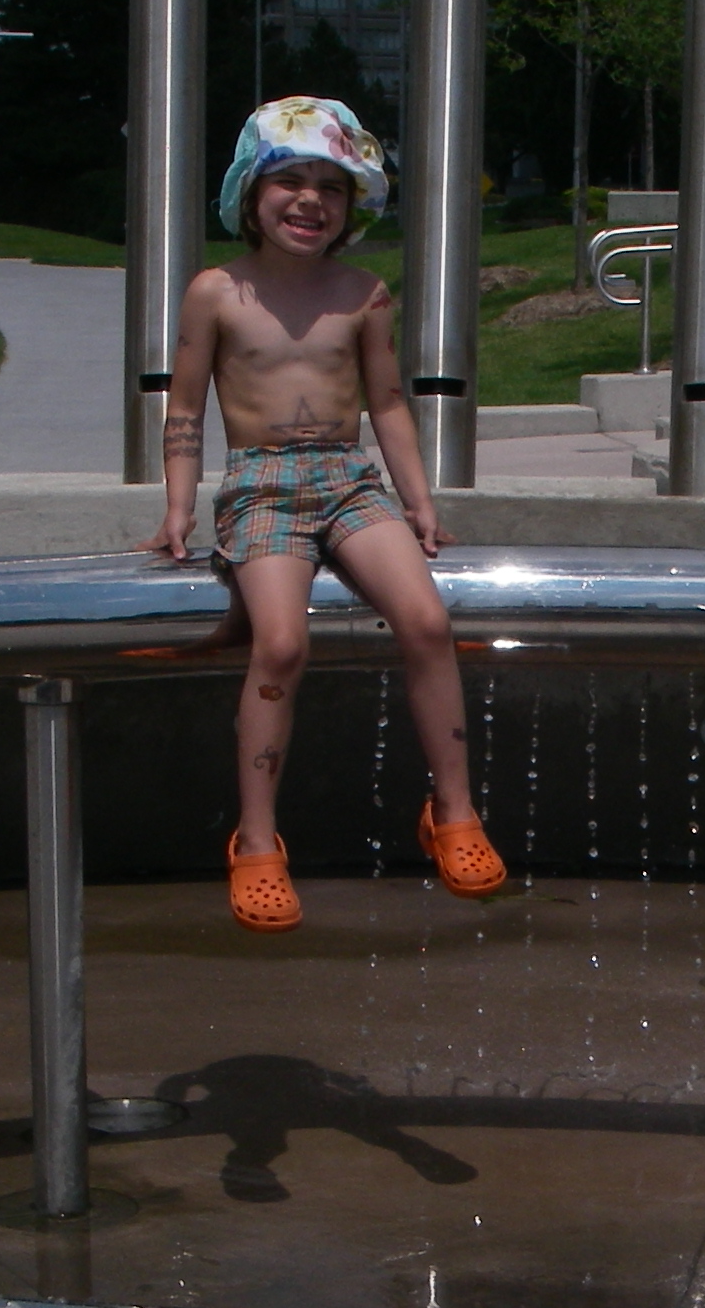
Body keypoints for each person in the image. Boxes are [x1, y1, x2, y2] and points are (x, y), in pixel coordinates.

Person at [144, 96, 505, 935]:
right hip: (262, 483)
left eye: (331, 187)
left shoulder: (363, 294)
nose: (310, 200)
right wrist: (178, 506)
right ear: (251, 193)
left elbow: (389, 404)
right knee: (280, 643)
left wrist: (418, 501)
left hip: (349, 480)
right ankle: (257, 838)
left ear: (351, 206)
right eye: (290, 181)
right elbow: (185, 407)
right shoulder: (216, 293)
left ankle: (453, 809)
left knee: (426, 621)